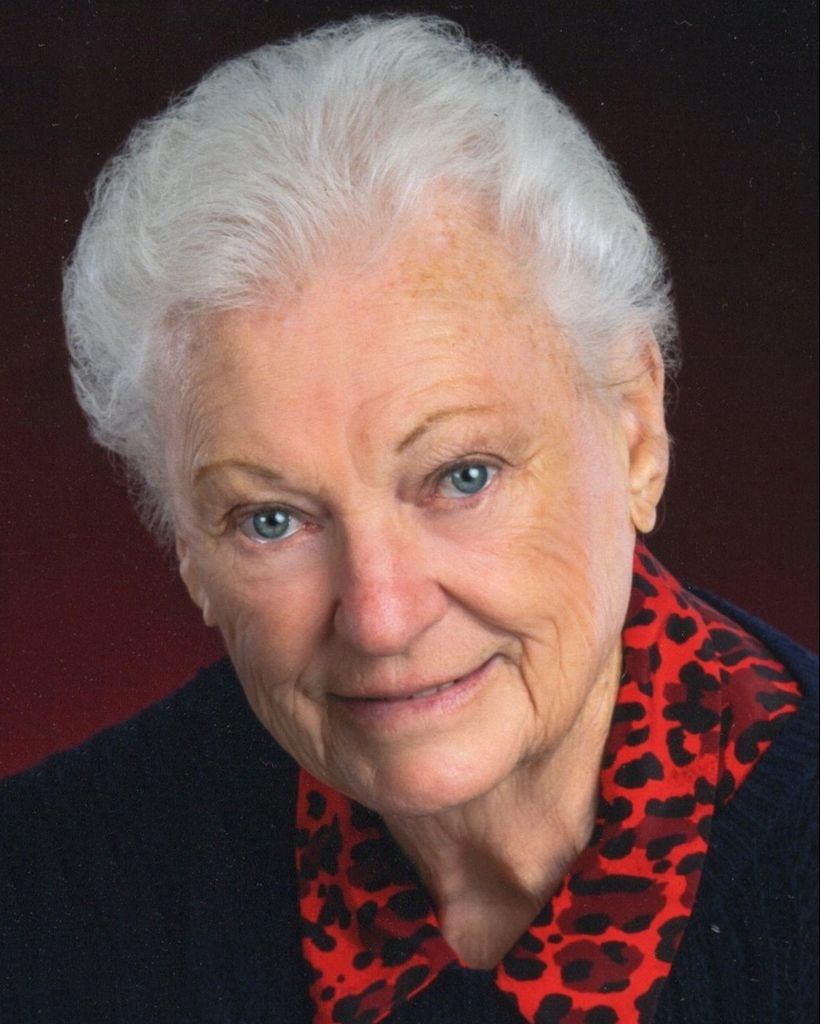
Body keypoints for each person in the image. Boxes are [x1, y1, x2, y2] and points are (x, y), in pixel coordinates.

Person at [1, 14, 816, 1024]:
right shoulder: (46, 890)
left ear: (635, 429)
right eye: (271, 520)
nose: (382, 619)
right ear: (188, 552)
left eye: (461, 476)